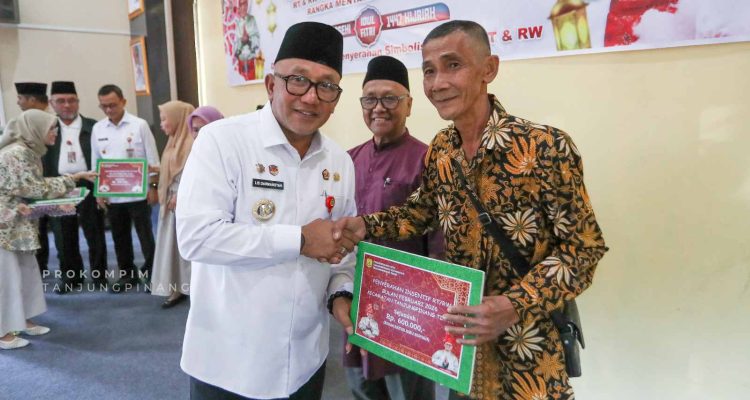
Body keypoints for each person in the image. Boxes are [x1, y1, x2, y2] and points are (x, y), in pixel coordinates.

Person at [335, 20, 608, 399]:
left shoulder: (544, 148)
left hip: (530, 357)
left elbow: (583, 251)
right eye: (429, 71)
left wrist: (513, 305)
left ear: (488, 69)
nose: (438, 83)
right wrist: (363, 226)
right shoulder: (442, 150)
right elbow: (419, 213)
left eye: (453, 65)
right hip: (460, 354)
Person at [176, 22, 358, 399]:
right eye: (298, 80)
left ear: (336, 98)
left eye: (326, 86)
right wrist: (300, 240)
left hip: (305, 360)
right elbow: (196, 237)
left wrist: (341, 292)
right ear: (271, 84)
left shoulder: (340, 162)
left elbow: (342, 252)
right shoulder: (222, 141)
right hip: (229, 363)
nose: (311, 97)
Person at [345, 55, 439, 400]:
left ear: (409, 105)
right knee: (360, 387)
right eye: (370, 99)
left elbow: (439, 243)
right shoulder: (349, 159)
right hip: (357, 299)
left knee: (407, 393)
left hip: (407, 309)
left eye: (389, 98)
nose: (378, 108)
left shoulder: (428, 161)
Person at [0, 110, 96, 350]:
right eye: (51, 128)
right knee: (7, 278)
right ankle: (3, 332)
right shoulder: (17, 153)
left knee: (25, 273)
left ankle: (21, 320)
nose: (55, 133)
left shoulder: (29, 150)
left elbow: (31, 190)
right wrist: (73, 179)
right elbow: (34, 188)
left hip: (18, 223)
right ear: (35, 129)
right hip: (6, 224)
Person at [91, 84, 160, 293]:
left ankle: (153, 274)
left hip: (139, 193)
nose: (108, 110)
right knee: (119, 237)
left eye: (112, 105)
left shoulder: (139, 125)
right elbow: (96, 163)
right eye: (104, 106)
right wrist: (98, 192)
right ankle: (128, 275)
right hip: (113, 195)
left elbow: (152, 157)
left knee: (145, 236)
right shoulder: (98, 128)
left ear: (123, 102)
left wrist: (153, 186)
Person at [45, 81, 109, 293]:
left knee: (95, 232)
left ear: (78, 102)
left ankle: (99, 275)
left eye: (71, 100)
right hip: (60, 186)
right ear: (52, 103)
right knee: (63, 235)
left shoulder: (93, 126)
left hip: (89, 183)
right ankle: (71, 277)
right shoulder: (47, 128)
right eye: (61, 101)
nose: (67, 105)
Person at [150, 100, 195, 308]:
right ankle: (177, 286)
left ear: (178, 118)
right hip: (170, 203)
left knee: (185, 246)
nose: (161, 124)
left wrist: (180, 194)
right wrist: (158, 170)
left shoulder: (191, 143)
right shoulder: (174, 141)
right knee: (172, 247)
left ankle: (190, 287)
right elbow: (173, 170)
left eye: (164, 119)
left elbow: (193, 175)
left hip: (184, 203)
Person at [15, 82, 59, 273]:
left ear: (32, 99)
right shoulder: (19, 145)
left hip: (49, 187)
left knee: (60, 233)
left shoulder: (52, 123)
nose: (18, 102)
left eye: (20, 98)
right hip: (24, 201)